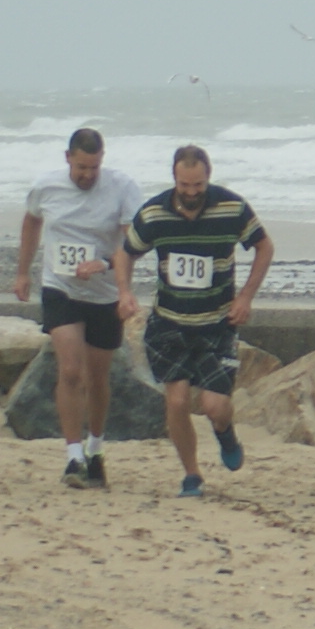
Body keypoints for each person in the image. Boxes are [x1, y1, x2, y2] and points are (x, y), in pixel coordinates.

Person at [117, 146, 271, 497]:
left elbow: (265, 247)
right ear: (174, 178)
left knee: (215, 406)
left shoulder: (232, 208)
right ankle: (191, 475)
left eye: (198, 185)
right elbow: (126, 253)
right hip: (169, 323)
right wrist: (125, 292)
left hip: (216, 324)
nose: (191, 192)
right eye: (184, 185)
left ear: (208, 177)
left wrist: (246, 296)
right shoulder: (154, 213)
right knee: (177, 401)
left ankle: (225, 432)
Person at [15, 127, 142, 490]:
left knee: (98, 377)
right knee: (70, 370)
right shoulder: (46, 186)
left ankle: (95, 449)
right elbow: (32, 221)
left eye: (94, 168)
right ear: (67, 158)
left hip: (104, 293)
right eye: (82, 167)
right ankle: (73, 456)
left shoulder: (122, 188)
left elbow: (134, 244)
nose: (88, 175)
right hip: (61, 288)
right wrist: (22, 272)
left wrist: (105, 265)